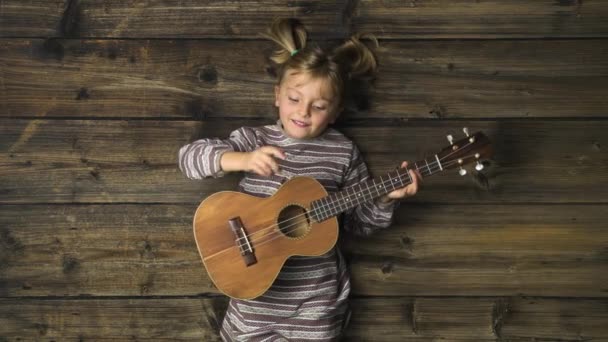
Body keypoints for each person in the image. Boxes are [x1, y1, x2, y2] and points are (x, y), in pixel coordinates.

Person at [178, 18, 422, 342]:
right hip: (253, 299)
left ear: (335, 112)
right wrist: (243, 160)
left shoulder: (343, 153)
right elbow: (189, 158)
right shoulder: (254, 138)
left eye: (318, 106)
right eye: (294, 99)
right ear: (277, 95)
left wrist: (385, 199)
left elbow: (360, 224)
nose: (303, 112)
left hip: (316, 304)